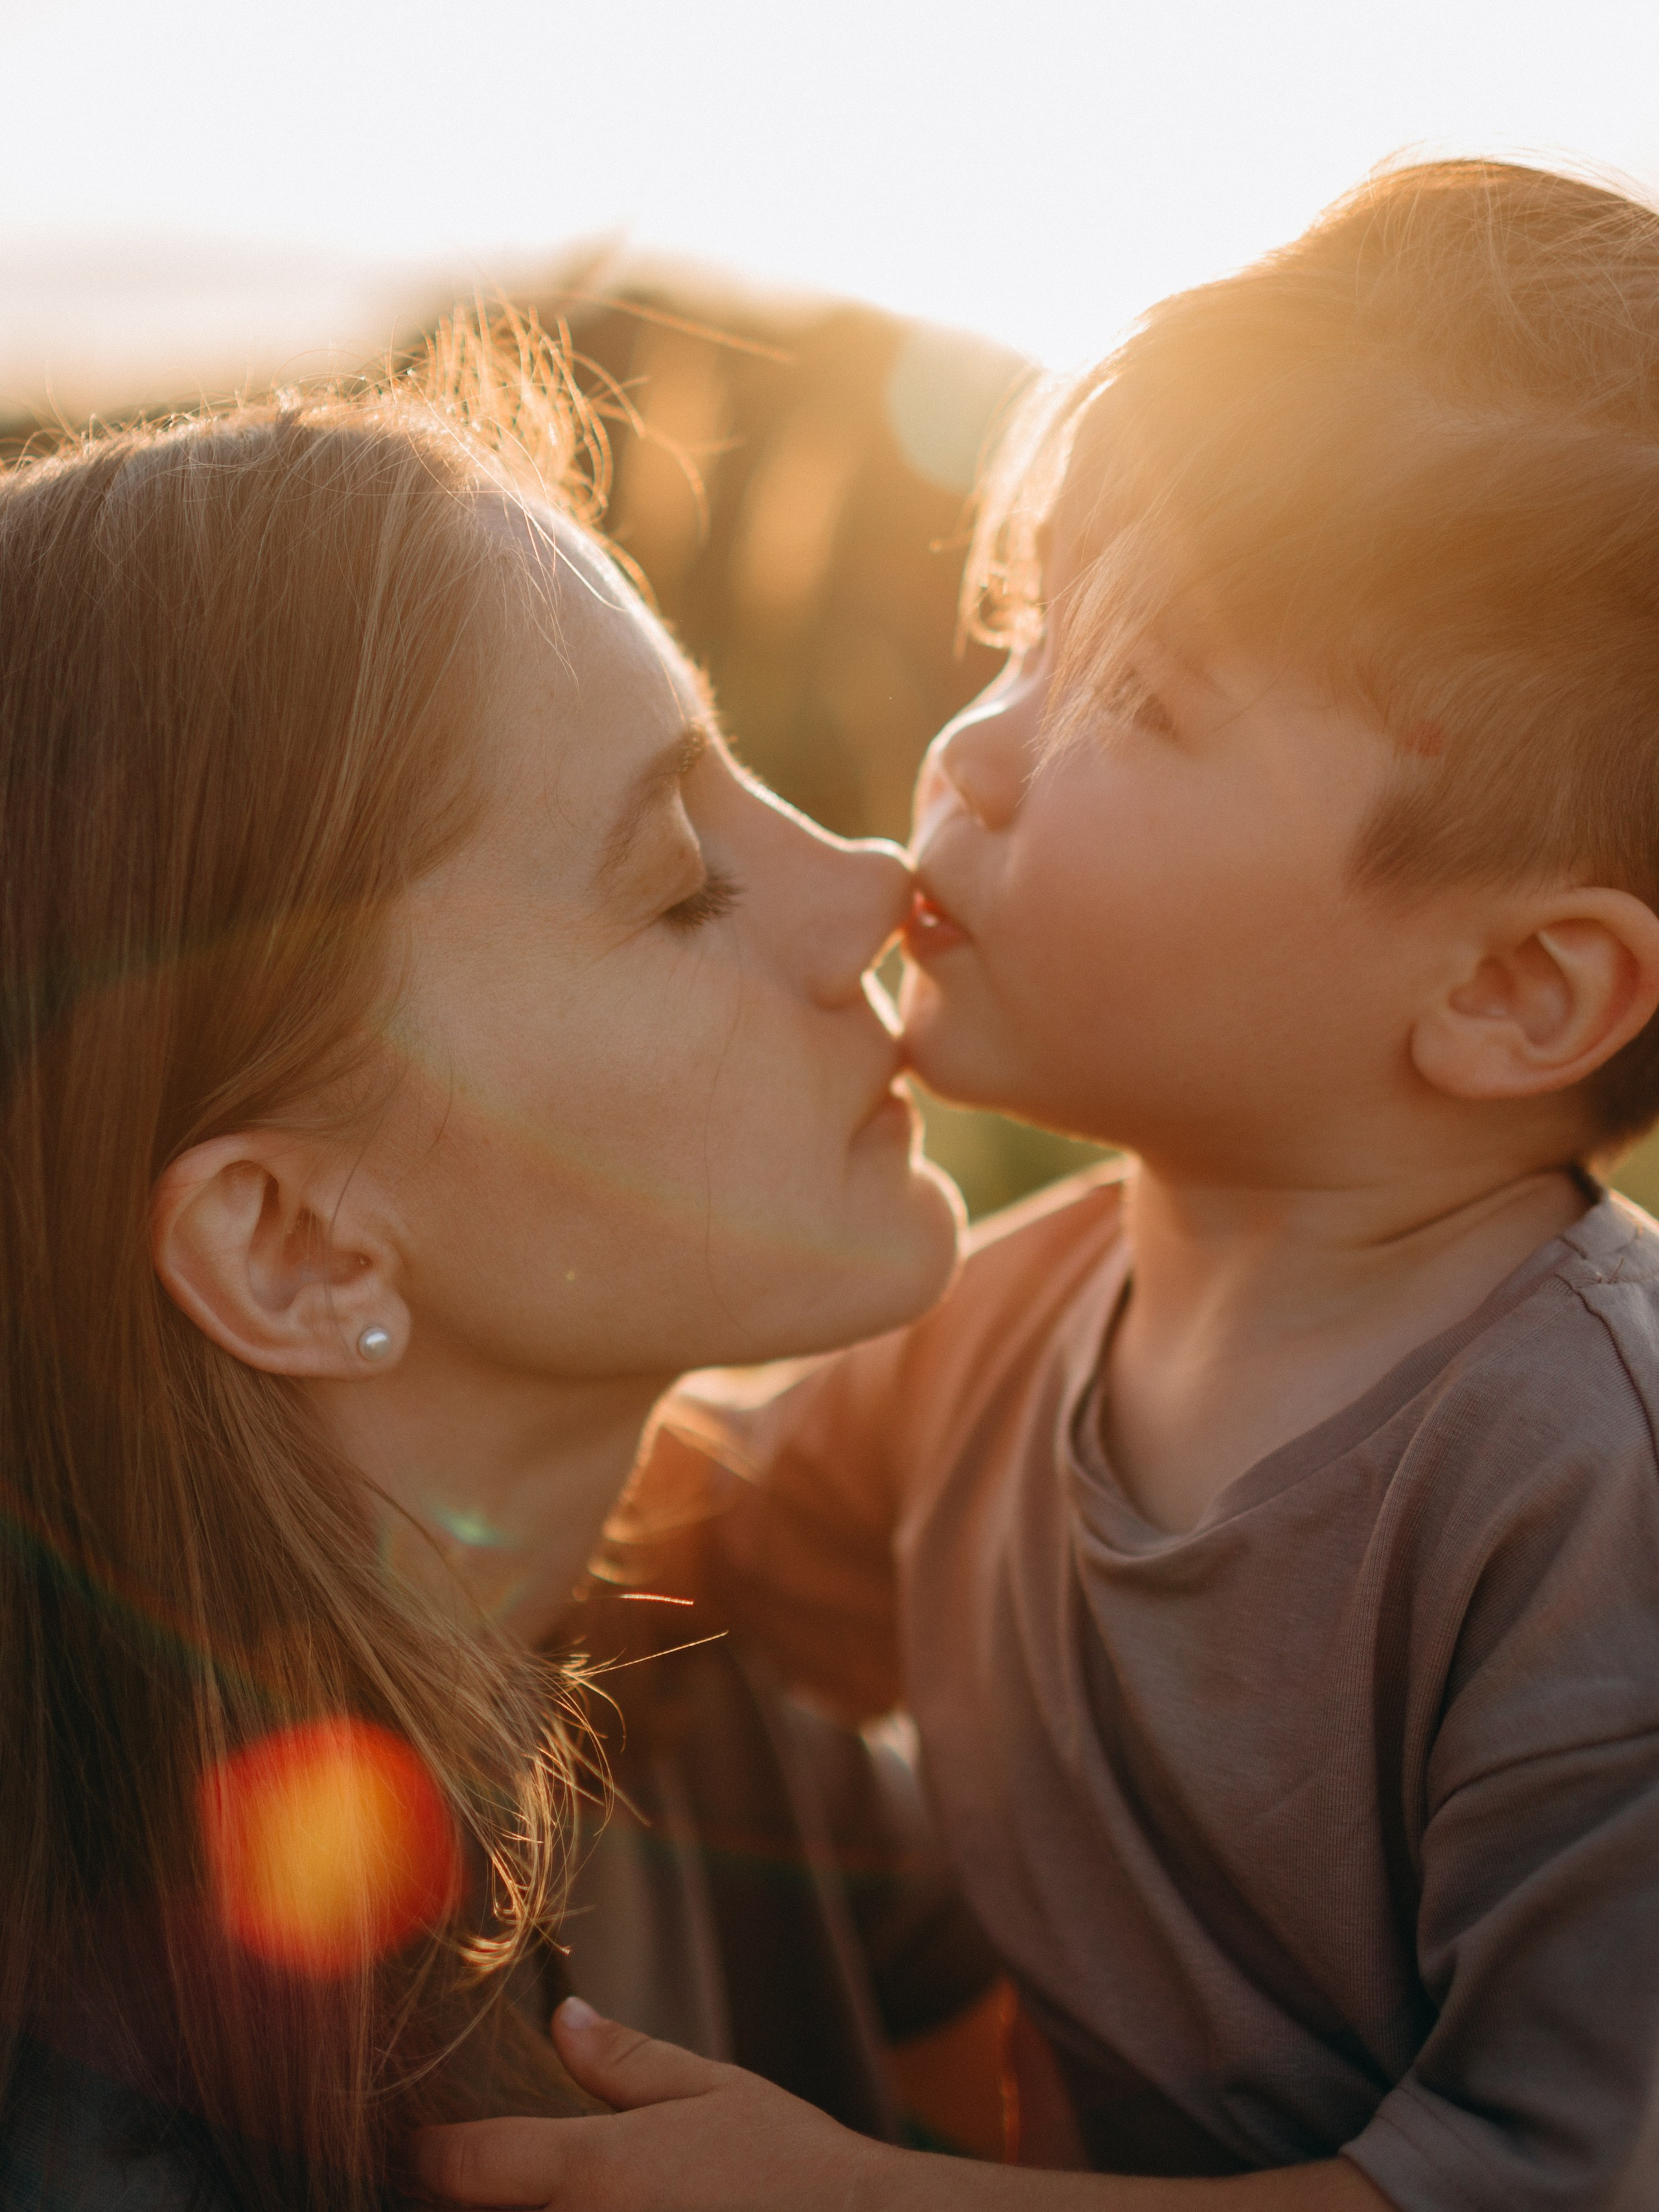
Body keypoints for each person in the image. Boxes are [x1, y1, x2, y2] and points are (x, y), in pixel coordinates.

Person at [412, 160, 1659, 2211]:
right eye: (1024, 631)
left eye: (1140, 700)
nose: (974, 757)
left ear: (1517, 988)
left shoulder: (1578, 1492)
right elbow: (679, 1531)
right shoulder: (1010, 1317)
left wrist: (871, 2195)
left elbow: (1542, 2179)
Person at [0, 320, 967, 2211]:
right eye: (680, 880)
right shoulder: (127, 2126)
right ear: (292, 1245)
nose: (872, 883)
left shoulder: (708, 1702)